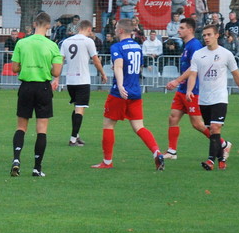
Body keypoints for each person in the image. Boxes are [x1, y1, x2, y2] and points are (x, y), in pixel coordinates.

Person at [91, 18, 165, 170]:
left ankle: (107, 162)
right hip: (135, 92)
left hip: (119, 93)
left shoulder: (117, 46)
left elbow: (119, 66)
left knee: (108, 125)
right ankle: (156, 152)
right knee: (139, 127)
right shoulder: (137, 46)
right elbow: (133, 67)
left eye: (116, 27)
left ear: (120, 30)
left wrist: (119, 84)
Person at [185, 24, 239, 169]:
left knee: (215, 128)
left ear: (216, 35)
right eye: (204, 35)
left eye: (209, 35)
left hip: (220, 97)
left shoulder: (226, 54)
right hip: (204, 99)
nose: (206, 38)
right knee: (212, 130)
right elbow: (193, 74)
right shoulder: (198, 54)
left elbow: (236, 75)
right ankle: (222, 160)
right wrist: (189, 90)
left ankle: (210, 161)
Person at [163, 18, 226, 162]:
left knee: (197, 124)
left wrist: (177, 80)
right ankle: (172, 151)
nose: (178, 30)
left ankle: (222, 144)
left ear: (190, 30)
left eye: (182, 27)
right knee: (173, 117)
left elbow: (194, 68)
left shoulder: (195, 45)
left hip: (194, 90)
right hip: (182, 89)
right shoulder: (186, 46)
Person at [9, 12, 63, 177]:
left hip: (26, 87)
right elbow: (56, 72)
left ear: (34, 24)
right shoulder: (52, 45)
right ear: (48, 26)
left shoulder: (22, 43)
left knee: (21, 127)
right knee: (42, 129)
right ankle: (36, 168)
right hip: (43, 88)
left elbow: (14, 68)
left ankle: (16, 159)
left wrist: (27, 66)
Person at [60, 20, 108, 148]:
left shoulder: (66, 41)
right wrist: (103, 73)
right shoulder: (88, 41)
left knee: (77, 107)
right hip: (82, 80)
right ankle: (73, 139)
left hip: (70, 80)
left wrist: (56, 78)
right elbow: (96, 60)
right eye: (91, 30)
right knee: (80, 109)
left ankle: (76, 135)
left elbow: (60, 60)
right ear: (88, 29)